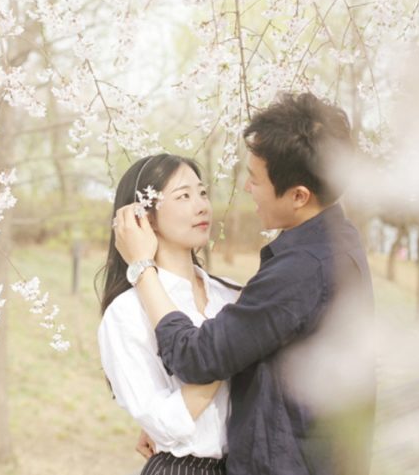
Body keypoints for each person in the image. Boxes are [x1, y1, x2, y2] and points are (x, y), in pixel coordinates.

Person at [113, 93, 375, 475]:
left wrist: (140, 267)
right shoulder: (337, 242)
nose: (247, 189)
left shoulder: (301, 268)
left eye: (255, 179)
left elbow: (198, 358)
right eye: (184, 196)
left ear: (299, 195)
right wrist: (173, 428)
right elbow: (254, 354)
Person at [97, 154, 241, 475]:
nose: (202, 206)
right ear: (143, 218)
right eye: (183, 196)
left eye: (202, 193)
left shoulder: (231, 293)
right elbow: (162, 422)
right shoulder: (126, 312)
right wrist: (230, 351)